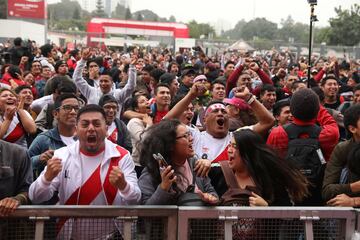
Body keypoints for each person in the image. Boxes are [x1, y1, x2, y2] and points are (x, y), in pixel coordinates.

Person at [29, 104, 141, 238]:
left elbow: (136, 199)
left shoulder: (122, 156)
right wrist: (46, 179)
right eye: (85, 124)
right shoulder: (62, 155)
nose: (91, 129)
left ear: (106, 129)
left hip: (112, 236)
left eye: (97, 124)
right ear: (76, 129)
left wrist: (124, 186)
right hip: (70, 236)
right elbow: (35, 196)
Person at [138, 119, 219, 205]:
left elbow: (214, 195)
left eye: (190, 134)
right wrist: (163, 188)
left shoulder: (197, 165)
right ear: (170, 144)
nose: (191, 138)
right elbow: (145, 212)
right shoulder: (153, 170)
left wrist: (210, 198)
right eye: (185, 136)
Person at [218, 129, 308, 205]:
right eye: (229, 145)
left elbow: (286, 216)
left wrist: (266, 210)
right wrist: (204, 163)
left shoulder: (270, 179)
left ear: (248, 152)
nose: (229, 150)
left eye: (235, 146)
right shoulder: (219, 173)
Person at [28, 93, 79, 178]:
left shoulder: (85, 139)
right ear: (55, 114)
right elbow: (25, 164)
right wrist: (40, 158)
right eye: (67, 108)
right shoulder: (44, 139)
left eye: (76, 108)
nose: (73, 112)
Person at [73, 48, 136, 114]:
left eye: (106, 81)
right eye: (101, 81)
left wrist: (132, 67)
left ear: (112, 83)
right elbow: (77, 78)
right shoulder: (91, 92)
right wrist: (83, 61)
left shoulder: (118, 94)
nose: (103, 83)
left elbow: (131, 86)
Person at [323, 105, 360, 206]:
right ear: (352, 129)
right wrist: (354, 186)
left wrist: (355, 201)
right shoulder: (343, 149)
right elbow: (327, 191)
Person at [127, 94, 153, 177]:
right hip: (138, 165)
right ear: (136, 109)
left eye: (147, 100)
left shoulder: (150, 118)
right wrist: (149, 125)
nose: (147, 102)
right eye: (142, 102)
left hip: (150, 163)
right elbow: (144, 140)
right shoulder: (134, 122)